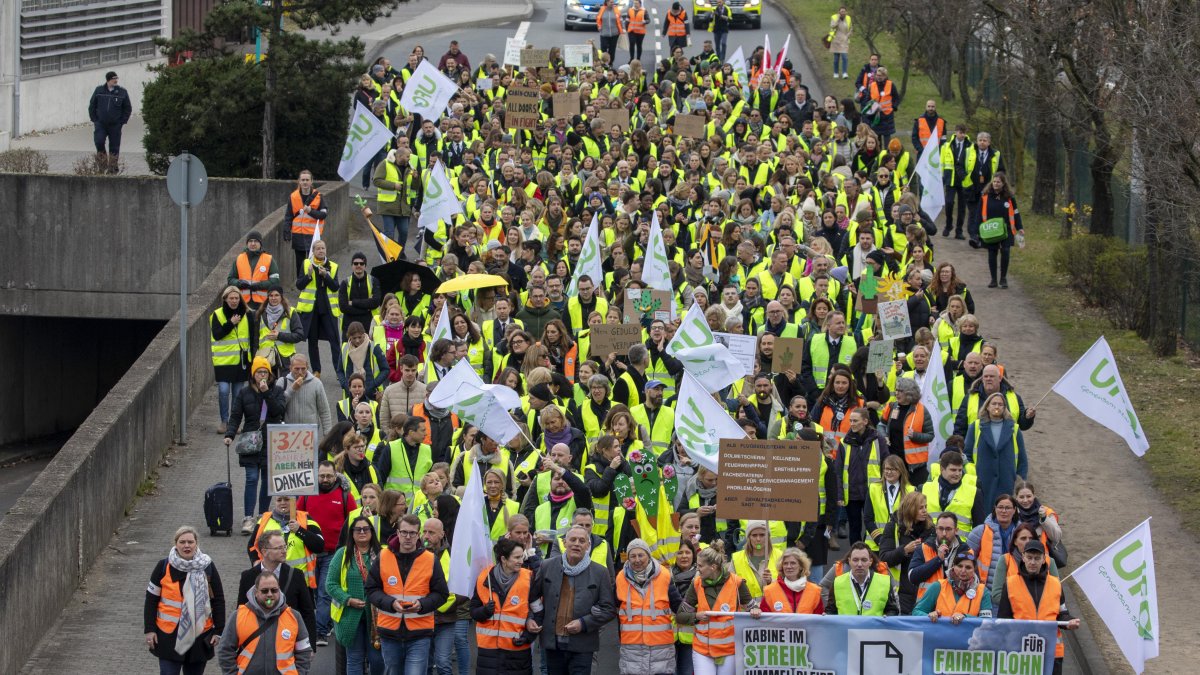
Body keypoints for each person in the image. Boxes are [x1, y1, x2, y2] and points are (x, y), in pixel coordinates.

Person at [366, 514, 450, 675]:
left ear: (418, 535)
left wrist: (422, 604)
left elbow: (441, 594)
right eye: (404, 532)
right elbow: (371, 589)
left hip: (420, 632)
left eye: (412, 533)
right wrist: (391, 603)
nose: (408, 537)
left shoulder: (430, 559)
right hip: (390, 631)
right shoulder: (384, 556)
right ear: (397, 533)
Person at [528, 524, 618, 674]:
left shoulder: (600, 572)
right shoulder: (547, 566)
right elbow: (532, 597)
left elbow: (608, 609)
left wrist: (583, 623)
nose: (577, 544)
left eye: (582, 541)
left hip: (583, 645)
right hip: (553, 644)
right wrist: (533, 618)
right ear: (564, 542)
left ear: (588, 545)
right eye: (573, 539)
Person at [144, 526, 224, 675]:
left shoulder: (207, 566)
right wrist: (149, 629)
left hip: (199, 635)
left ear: (196, 544)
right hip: (168, 636)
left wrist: (219, 630)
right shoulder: (163, 567)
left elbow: (218, 600)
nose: (186, 545)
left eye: (190, 542)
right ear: (176, 544)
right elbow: (151, 600)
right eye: (182, 542)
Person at [995, 541, 1080, 674]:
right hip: (1020, 651)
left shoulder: (1056, 584)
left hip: (1051, 652)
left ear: (1044, 560)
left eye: (1037, 558)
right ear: (1023, 557)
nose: (1033, 562)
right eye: (1029, 558)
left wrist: (1070, 622)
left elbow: (1062, 613)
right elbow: (1003, 620)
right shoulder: (1010, 583)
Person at [225, 357, 288, 534]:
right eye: (259, 372)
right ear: (253, 374)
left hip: (271, 441)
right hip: (251, 441)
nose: (262, 375)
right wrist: (230, 434)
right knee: (252, 478)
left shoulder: (276, 391)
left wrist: (266, 393)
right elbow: (236, 415)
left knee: (267, 481)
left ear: (270, 374)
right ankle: (248, 517)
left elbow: (279, 412)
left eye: (265, 372)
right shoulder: (244, 393)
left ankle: (263, 516)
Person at [298, 461, 358, 646]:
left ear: (335, 475)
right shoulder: (306, 494)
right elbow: (297, 515)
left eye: (328, 476)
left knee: (324, 592)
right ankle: (317, 625)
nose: (325, 479)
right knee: (311, 593)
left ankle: (320, 632)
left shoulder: (345, 495)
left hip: (333, 553)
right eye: (322, 476)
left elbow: (354, 521)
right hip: (309, 553)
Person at [237, 531, 318, 658]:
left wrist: (310, 645)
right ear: (264, 551)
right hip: (258, 644)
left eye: (284, 546)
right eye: (278, 548)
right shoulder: (248, 576)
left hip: (289, 642)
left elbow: (307, 612)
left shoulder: (296, 575)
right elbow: (241, 611)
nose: (284, 551)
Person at [218, 570, 313, 675]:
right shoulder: (238, 616)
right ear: (256, 592)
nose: (270, 594)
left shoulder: (294, 616)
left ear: (279, 590)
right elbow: (225, 650)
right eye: (264, 591)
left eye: (274, 590)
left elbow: (304, 651)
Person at [676, 546, 752, 675]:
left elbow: (752, 607)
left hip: (730, 650)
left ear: (713, 567)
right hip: (702, 650)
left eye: (700, 566)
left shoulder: (737, 583)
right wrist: (696, 616)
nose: (697, 569)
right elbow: (680, 616)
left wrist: (755, 610)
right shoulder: (696, 584)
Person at [327, 516, 385, 675]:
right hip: (350, 617)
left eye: (366, 529)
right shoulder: (342, 554)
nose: (361, 532)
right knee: (354, 659)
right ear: (351, 533)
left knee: (378, 660)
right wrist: (348, 600)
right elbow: (331, 584)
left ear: (372, 532)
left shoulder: (383, 555)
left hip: (377, 617)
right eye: (357, 529)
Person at [615, 538, 682, 675]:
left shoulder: (664, 575)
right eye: (632, 556)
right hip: (631, 649)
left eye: (641, 555)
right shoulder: (620, 578)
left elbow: (678, 606)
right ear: (628, 558)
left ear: (648, 556)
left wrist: (695, 612)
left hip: (661, 649)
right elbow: (611, 607)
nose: (637, 560)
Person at [471, 538, 535, 675]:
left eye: (522, 556)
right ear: (504, 559)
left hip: (517, 652)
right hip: (488, 652)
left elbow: (539, 612)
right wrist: (484, 611)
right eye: (517, 557)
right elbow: (473, 612)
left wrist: (528, 636)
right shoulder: (484, 577)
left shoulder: (529, 578)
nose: (521, 561)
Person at [964, 392, 1029, 511]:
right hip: (981, 481)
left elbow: (1022, 458)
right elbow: (967, 454)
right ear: (987, 406)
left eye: (1000, 404)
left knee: (1004, 513)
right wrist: (972, 476)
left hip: (1007, 481)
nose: (997, 406)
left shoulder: (1014, 429)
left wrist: (1020, 480)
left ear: (1005, 408)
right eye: (994, 403)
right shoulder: (976, 427)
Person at [878, 491, 933, 614]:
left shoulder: (931, 529)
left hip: (925, 591)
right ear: (910, 509)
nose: (925, 511)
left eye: (925, 507)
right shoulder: (893, 527)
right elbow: (884, 558)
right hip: (901, 591)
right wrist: (904, 550)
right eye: (920, 508)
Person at [296, 239, 342, 380]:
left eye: (323, 248)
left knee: (334, 340)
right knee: (313, 341)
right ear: (313, 251)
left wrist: (325, 276)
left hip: (328, 310)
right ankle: (317, 370)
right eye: (318, 249)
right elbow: (299, 285)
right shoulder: (306, 264)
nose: (321, 251)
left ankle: (339, 371)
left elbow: (335, 286)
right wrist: (309, 276)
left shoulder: (332, 266)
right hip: (311, 310)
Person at [211, 285, 251, 434]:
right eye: (231, 298)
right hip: (223, 362)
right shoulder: (218, 314)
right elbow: (217, 334)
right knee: (223, 391)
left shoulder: (247, 314)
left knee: (237, 394)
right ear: (225, 299)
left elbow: (252, 337)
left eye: (236, 298)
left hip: (241, 362)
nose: (234, 301)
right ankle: (224, 421)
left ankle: (234, 424)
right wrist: (231, 323)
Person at [911, 549, 992, 620]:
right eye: (959, 566)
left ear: (974, 569)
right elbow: (917, 612)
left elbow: (987, 622)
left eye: (968, 567)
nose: (963, 570)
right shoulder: (938, 586)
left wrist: (966, 617)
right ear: (953, 566)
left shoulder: (983, 591)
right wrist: (930, 616)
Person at [824, 542, 899, 616]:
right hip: (846, 628)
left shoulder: (884, 582)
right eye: (855, 560)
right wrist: (826, 615)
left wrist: (887, 618)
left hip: (872, 628)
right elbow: (831, 611)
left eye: (864, 560)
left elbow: (893, 610)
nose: (859, 564)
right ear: (849, 561)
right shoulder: (837, 583)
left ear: (870, 561)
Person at [979, 172, 1024, 288]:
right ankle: (993, 279)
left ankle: (1003, 278)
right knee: (992, 253)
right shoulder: (985, 197)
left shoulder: (1009, 198)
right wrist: (976, 231)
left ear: (1003, 183)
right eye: (994, 181)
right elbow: (978, 214)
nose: (995, 184)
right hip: (990, 230)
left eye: (998, 182)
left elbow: (1016, 213)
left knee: (1006, 251)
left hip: (1006, 229)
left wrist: (1020, 228)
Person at [277, 353, 333, 441]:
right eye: (296, 369)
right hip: (288, 434)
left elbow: (324, 411)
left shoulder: (316, 383)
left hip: (309, 434)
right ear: (290, 367)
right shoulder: (282, 382)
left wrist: (328, 435)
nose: (300, 372)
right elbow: (276, 406)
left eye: (303, 369)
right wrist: (292, 389)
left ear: (307, 367)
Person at [751, 548, 823, 615]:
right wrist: (757, 610)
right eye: (785, 563)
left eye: (793, 563)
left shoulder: (815, 591)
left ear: (801, 566)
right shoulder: (769, 590)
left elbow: (819, 622)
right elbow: (763, 621)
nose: (789, 566)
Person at [252, 285, 305, 376]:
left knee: (285, 386)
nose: (273, 298)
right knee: (268, 388)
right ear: (268, 297)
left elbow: (299, 335)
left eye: (276, 295)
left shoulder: (290, 312)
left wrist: (279, 336)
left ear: (281, 297)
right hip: (265, 356)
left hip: (285, 357)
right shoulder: (260, 313)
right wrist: (254, 358)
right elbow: (255, 338)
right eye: (271, 295)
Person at [285, 170, 328, 277]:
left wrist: (310, 211)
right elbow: (288, 216)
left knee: (315, 263)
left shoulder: (318, 196)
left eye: (307, 180)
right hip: (297, 236)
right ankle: (301, 287)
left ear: (311, 181)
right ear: (299, 181)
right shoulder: (293, 196)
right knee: (300, 265)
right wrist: (286, 232)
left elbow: (323, 215)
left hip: (313, 237)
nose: (305, 182)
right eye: (303, 180)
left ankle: (314, 285)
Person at [88, 71, 132, 170]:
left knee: (114, 147)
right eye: (113, 79)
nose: (116, 81)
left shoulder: (122, 92)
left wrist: (122, 121)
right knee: (99, 141)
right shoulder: (99, 90)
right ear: (108, 80)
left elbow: (127, 108)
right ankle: (102, 164)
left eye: (116, 79)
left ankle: (113, 168)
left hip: (115, 125)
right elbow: (92, 105)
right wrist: (95, 119)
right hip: (101, 124)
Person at [227, 231, 280, 311]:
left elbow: (275, 281)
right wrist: (239, 283)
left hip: (263, 304)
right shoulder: (239, 259)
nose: (253, 243)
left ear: (260, 243)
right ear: (247, 243)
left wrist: (259, 285)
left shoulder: (269, 259)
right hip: (243, 303)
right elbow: (230, 279)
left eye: (256, 241)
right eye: (250, 241)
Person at [339, 252, 383, 338]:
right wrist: (366, 309)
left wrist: (353, 302)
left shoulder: (374, 281)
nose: (358, 265)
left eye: (361, 263)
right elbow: (343, 307)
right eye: (355, 263)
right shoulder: (345, 283)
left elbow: (375, 302)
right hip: (349, 326)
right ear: (352, 265)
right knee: (347, 350)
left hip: (369, 325)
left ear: (365, 265)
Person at [828, 7, 852, 79]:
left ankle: (844, 73)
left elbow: (851, 28)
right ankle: (836, 73)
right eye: (841, 11)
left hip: (844, 40)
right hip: (836, 40)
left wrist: (847, 36)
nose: (843, 13)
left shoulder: (848, 18)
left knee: (845, 57)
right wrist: (838, 19)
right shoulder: (834, 18)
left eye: (844, 11)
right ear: (838, 12)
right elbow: (832, 26)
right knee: (836, 58)